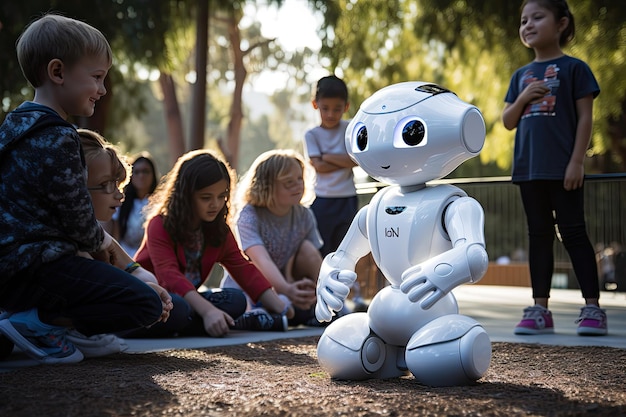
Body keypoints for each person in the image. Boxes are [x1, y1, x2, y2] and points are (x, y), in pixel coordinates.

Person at [0, 14, 167, 364]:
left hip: (10, 271)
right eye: (97, 77)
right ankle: (41, 323)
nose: (103, 90)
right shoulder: (60, 136)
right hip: (43, 268)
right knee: (146, 304)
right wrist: (108, 248)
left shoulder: (10, 128)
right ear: (58, 72)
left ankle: (24, 319)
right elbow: (79, 222)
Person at [502, 0, 605, 336]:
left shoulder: (575, 69)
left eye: (537, 17)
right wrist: (523, 98)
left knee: (574, 233)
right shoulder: (520, 76)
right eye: (523, 20)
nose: (528, 25)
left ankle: (592, 308)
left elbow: (586, 118)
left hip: (564, 170)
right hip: (529, 171)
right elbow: (507, 121)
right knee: (539, 237)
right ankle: (539, 310)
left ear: (561, 24)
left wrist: (577, 161)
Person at [135, 149, 293, 337]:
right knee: (178, 308)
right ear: (186, 196)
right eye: (206, 198)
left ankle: (217, 322)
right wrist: (209, 311)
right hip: (152, 300)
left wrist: (280, 307)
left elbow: (244, 269)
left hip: (189, 301)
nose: (216, 204)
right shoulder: (159, 225)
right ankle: (234, 323)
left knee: (236, 300)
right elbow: (169, 276)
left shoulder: (218, 230)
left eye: (222, 196)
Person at [223, 149, 323, 326]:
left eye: (300, 179)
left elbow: (308, 256)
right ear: (266, 185)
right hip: (248, 286)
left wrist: (300, 287)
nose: (298, 185)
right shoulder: (249, 215)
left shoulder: (304, 214)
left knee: (308, 248)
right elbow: (261, 261)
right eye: (288, 182)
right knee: (245, 302)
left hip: (284, 283)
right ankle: (255, 315)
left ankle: (327, 303)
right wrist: (286, 289)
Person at [303, 75, 366, 311]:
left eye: (337, 109)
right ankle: (322, 298)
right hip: (322, 201)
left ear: (346, 107)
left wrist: (326, 156)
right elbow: (317, 166)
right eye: (325, 108)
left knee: (348, 250)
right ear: (315, 105)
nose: (331, 114)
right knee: (322, 252)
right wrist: (342, 159)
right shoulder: (311, 135)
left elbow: (357, 159)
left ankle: (354, 295)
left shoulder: (351, 128)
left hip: (347, 199)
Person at [110, 153, 159, 257]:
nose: (141, 176)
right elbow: (116, 236)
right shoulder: (121, 202)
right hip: (124, 256)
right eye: (136, 172)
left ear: (153, 175)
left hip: (151, 257)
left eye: (146, 171)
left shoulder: (160, 204)